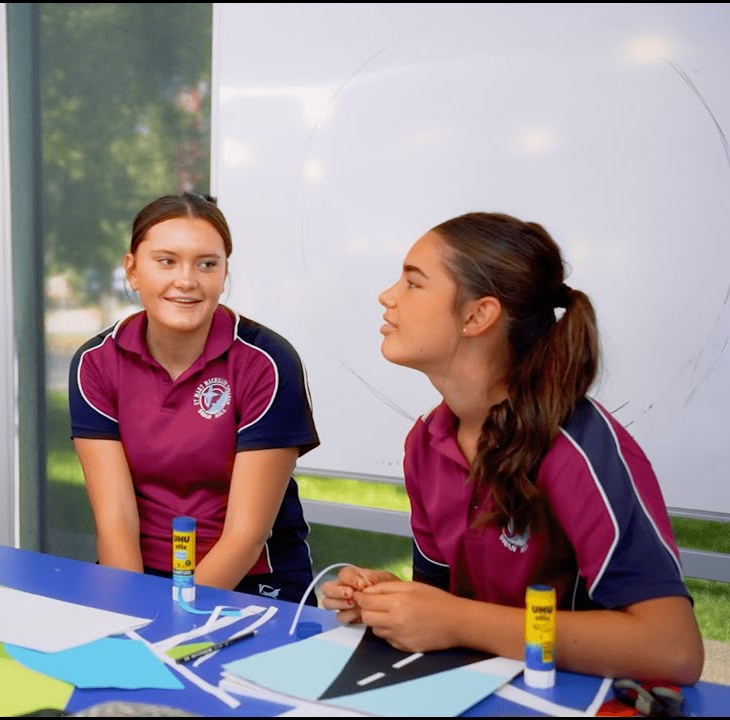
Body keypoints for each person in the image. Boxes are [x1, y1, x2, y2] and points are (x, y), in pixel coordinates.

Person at [319, 212, 703, 684]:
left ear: (478, 315)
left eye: (413, 283)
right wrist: (395, 603)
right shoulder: (426, 443)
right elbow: (443, 600)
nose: (387, 296)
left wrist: (455, 620)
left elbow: (673, 649)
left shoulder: (579, 447)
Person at [69, 192, 320, 603]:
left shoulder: (268, 361)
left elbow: (247, 534)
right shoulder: (96, 362)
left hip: (250, 579)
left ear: (224, 274)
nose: (187, 280)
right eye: (166, 261)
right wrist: (132, 606)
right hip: (138, 574)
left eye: (207, 264)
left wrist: (175, 615)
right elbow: (115, 522)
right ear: (132, 271)